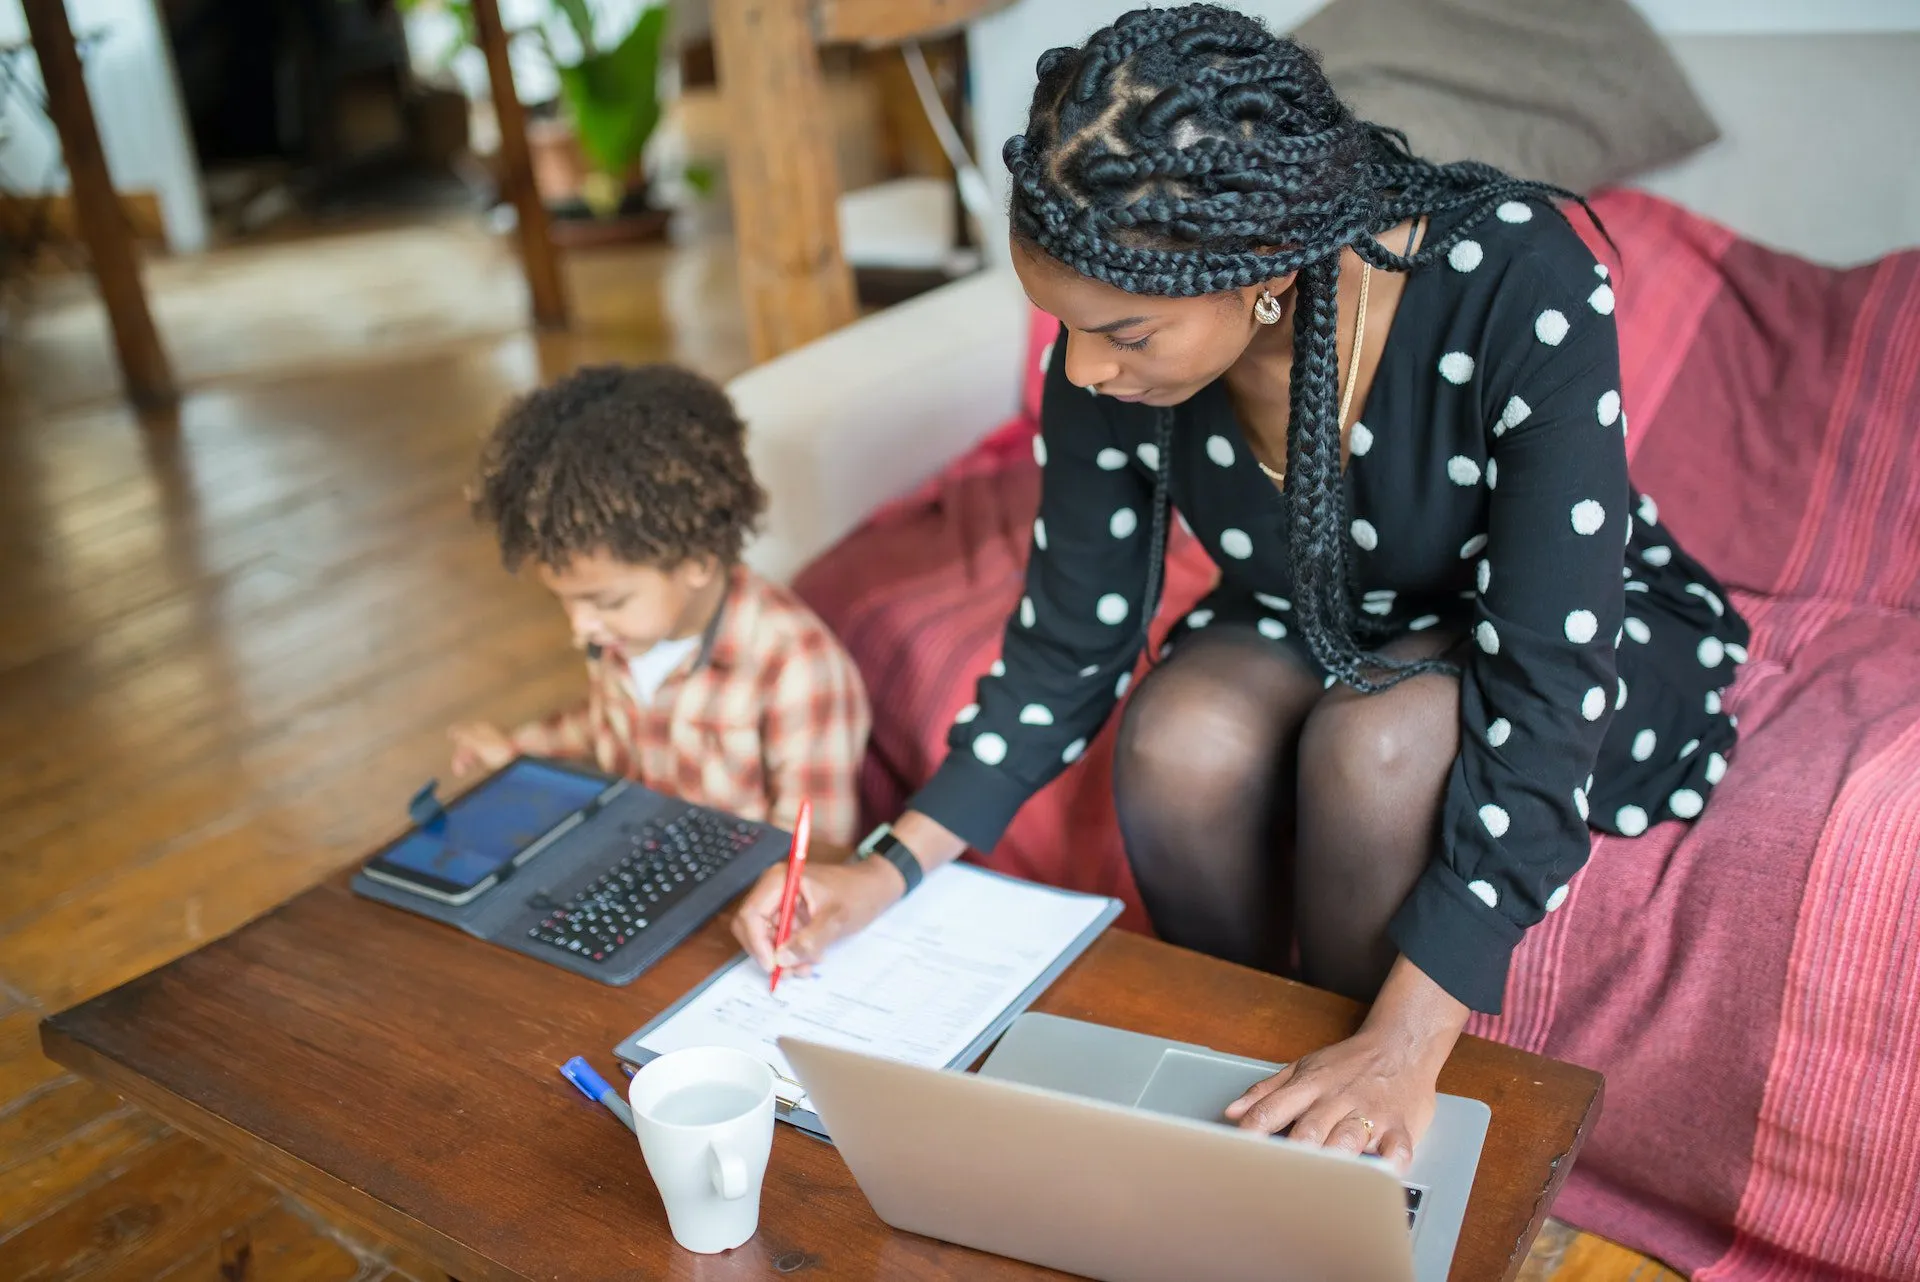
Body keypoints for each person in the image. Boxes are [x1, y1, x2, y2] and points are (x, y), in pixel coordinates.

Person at [733, 4, 1748, 1167]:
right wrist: (888, 867)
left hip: (1558, 636)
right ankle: (1246, 1093)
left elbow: (1551, 677)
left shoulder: (1518, 275)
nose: (1083, 368)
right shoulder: (1105, 322)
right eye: (1065, 331)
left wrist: (1411, 1041)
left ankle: (1363, 1126)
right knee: (1183, 738)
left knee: (1376, 751)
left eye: (1125, 335)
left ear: (1262, 275)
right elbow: (1072, 639)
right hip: (1315, 607)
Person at [450, 362, 871, 845]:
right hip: (630, 859)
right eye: (564, 603)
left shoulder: (797, 671)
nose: (580, 628)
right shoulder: (628, 632)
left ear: (696, 559)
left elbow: (813, 853)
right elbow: (607, 725)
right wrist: (517, 754)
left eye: (606, 601)